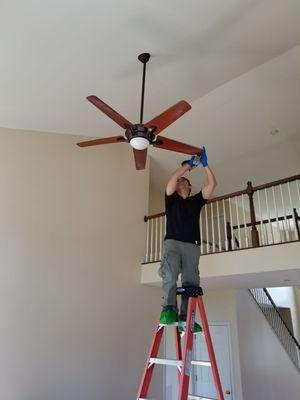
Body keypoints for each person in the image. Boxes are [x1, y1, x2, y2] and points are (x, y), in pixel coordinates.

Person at [158, 147, 217, 333]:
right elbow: (172, 179)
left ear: (190, 187)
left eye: (185, 181)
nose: (180, 182)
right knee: (170, 274)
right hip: (173, 243)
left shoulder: (196, 201)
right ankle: (168, 310)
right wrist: (189, 166)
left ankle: (186, 317)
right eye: (179, 181)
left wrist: (205, 165)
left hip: (192, 245)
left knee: (191, 281)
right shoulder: (171, 199)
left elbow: (212, 185)